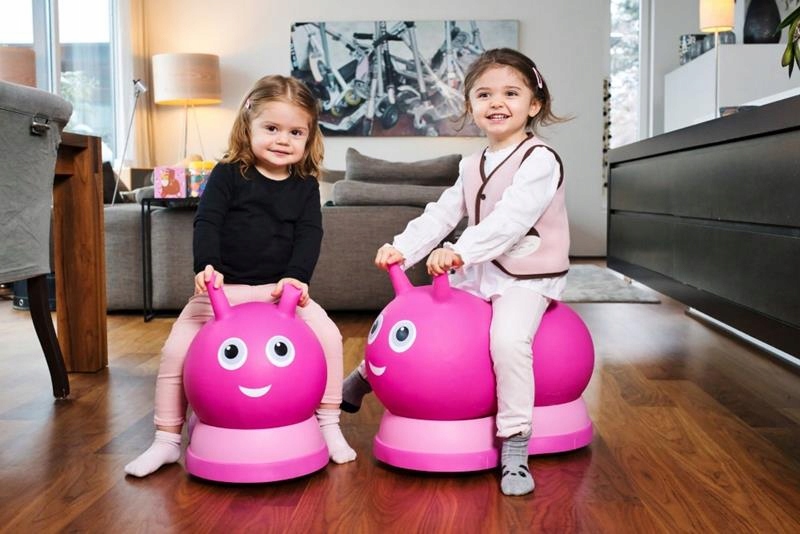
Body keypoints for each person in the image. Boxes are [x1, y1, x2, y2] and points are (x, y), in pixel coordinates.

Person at [341, 48, 569, 496]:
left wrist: (459, 252)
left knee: (508, 341)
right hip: (480, 270)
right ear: (470, 106)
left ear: (534, 104)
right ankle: (366, 375)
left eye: (511, 93)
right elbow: (442, 214)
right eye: (484, 94)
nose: (497, 102)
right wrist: (403, 248)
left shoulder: (540, 160)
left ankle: (516, 442)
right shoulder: (470, 165)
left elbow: (510, 221)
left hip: (527, 275)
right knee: (421, 319)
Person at [125, 75, 356, 477]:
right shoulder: (228, 173)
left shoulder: (304, 186)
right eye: (272, 128)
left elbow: (309, 234)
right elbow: (207, 221)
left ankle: (329, 424)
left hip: (279, 295)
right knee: (175, 352)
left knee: (331, 338)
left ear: (310, 136)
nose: (283, 140)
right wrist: (206, 266)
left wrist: (297, 277)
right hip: (222, 291)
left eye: (296, 132)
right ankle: (166, 440)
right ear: (248, 125)